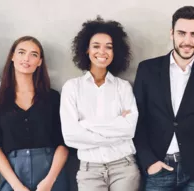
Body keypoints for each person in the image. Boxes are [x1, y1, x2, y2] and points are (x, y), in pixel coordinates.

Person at [133, 6, 194, 191]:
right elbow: (137, 121)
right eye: (182, 33)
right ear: (172, 33)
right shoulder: (147, 70)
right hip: (158, 170)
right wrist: (149, 162)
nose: (187, 41)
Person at [60, 17, 140, 191]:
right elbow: (70, 136)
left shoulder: (123, 87)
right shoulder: (72, 87)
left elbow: (129, 129)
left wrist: (86, 125)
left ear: (115, 52)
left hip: (124, 167)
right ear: (86, 50)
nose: (102, 51)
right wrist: (115, 128)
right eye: (96, 46)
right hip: (89, 170)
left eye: (109, 47)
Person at [0, 36, 68, 191]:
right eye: (21, 52)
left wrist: (49, 181)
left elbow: (63, 143)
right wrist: (17, 186)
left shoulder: (52, 97)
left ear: (40, 62)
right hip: (12, 173)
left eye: (34, 54)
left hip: (50, 172)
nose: (26, 58)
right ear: (12, 56)